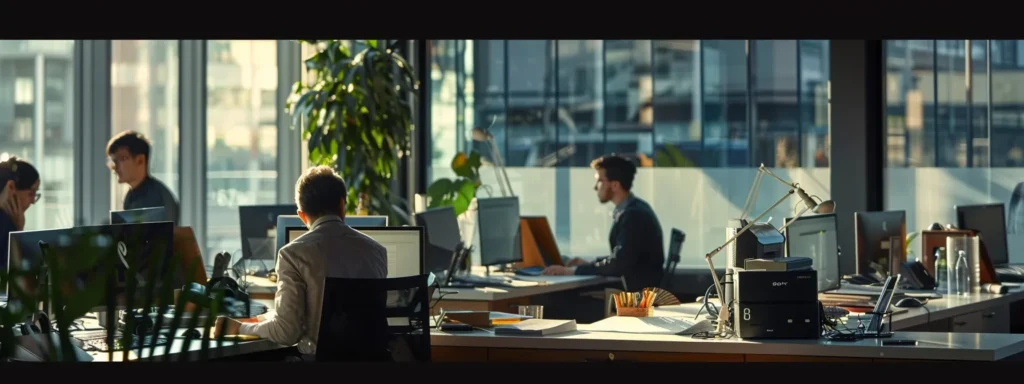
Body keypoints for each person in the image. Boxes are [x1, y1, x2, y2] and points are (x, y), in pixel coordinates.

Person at [214, 166, 388, 357]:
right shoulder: (377, 251)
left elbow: (287, 332)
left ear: (302, 215)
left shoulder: (292, 255)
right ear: (341, 205)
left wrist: (240, 329)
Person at [543, 155, 665, 291]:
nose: (596, 187)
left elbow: (620, 263)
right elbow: (623, 256)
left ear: (614, 185)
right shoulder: (634, 208)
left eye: (600, 181)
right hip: (632, 288)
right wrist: (590, 264)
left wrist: (573, 271)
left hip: (633, 295)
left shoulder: (633, 215)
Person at [106, 131, 179, 224]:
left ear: (140, 160)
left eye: (122, 159)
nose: (115, 167)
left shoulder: (156, 198)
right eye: (113, 161)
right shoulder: (132, 196)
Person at [0, 156, 41, 260]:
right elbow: (17, 269)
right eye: (31, 193)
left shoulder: (9, 220)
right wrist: (18, 232)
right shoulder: (5, 222)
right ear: (11, 187)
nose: (32, 201)